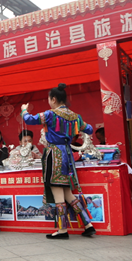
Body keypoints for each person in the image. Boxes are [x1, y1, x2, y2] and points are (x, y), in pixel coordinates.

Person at [22, 83, 96, 239]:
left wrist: (24, 109)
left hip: (54, 154)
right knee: (67, 192)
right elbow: (89, 129)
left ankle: (62, 230)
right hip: (68, 155)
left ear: (53, 99)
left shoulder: (50, 114)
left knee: (58, 193)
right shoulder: (75, 116)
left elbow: (29, 119)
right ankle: (88, 224)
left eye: (49, 99)